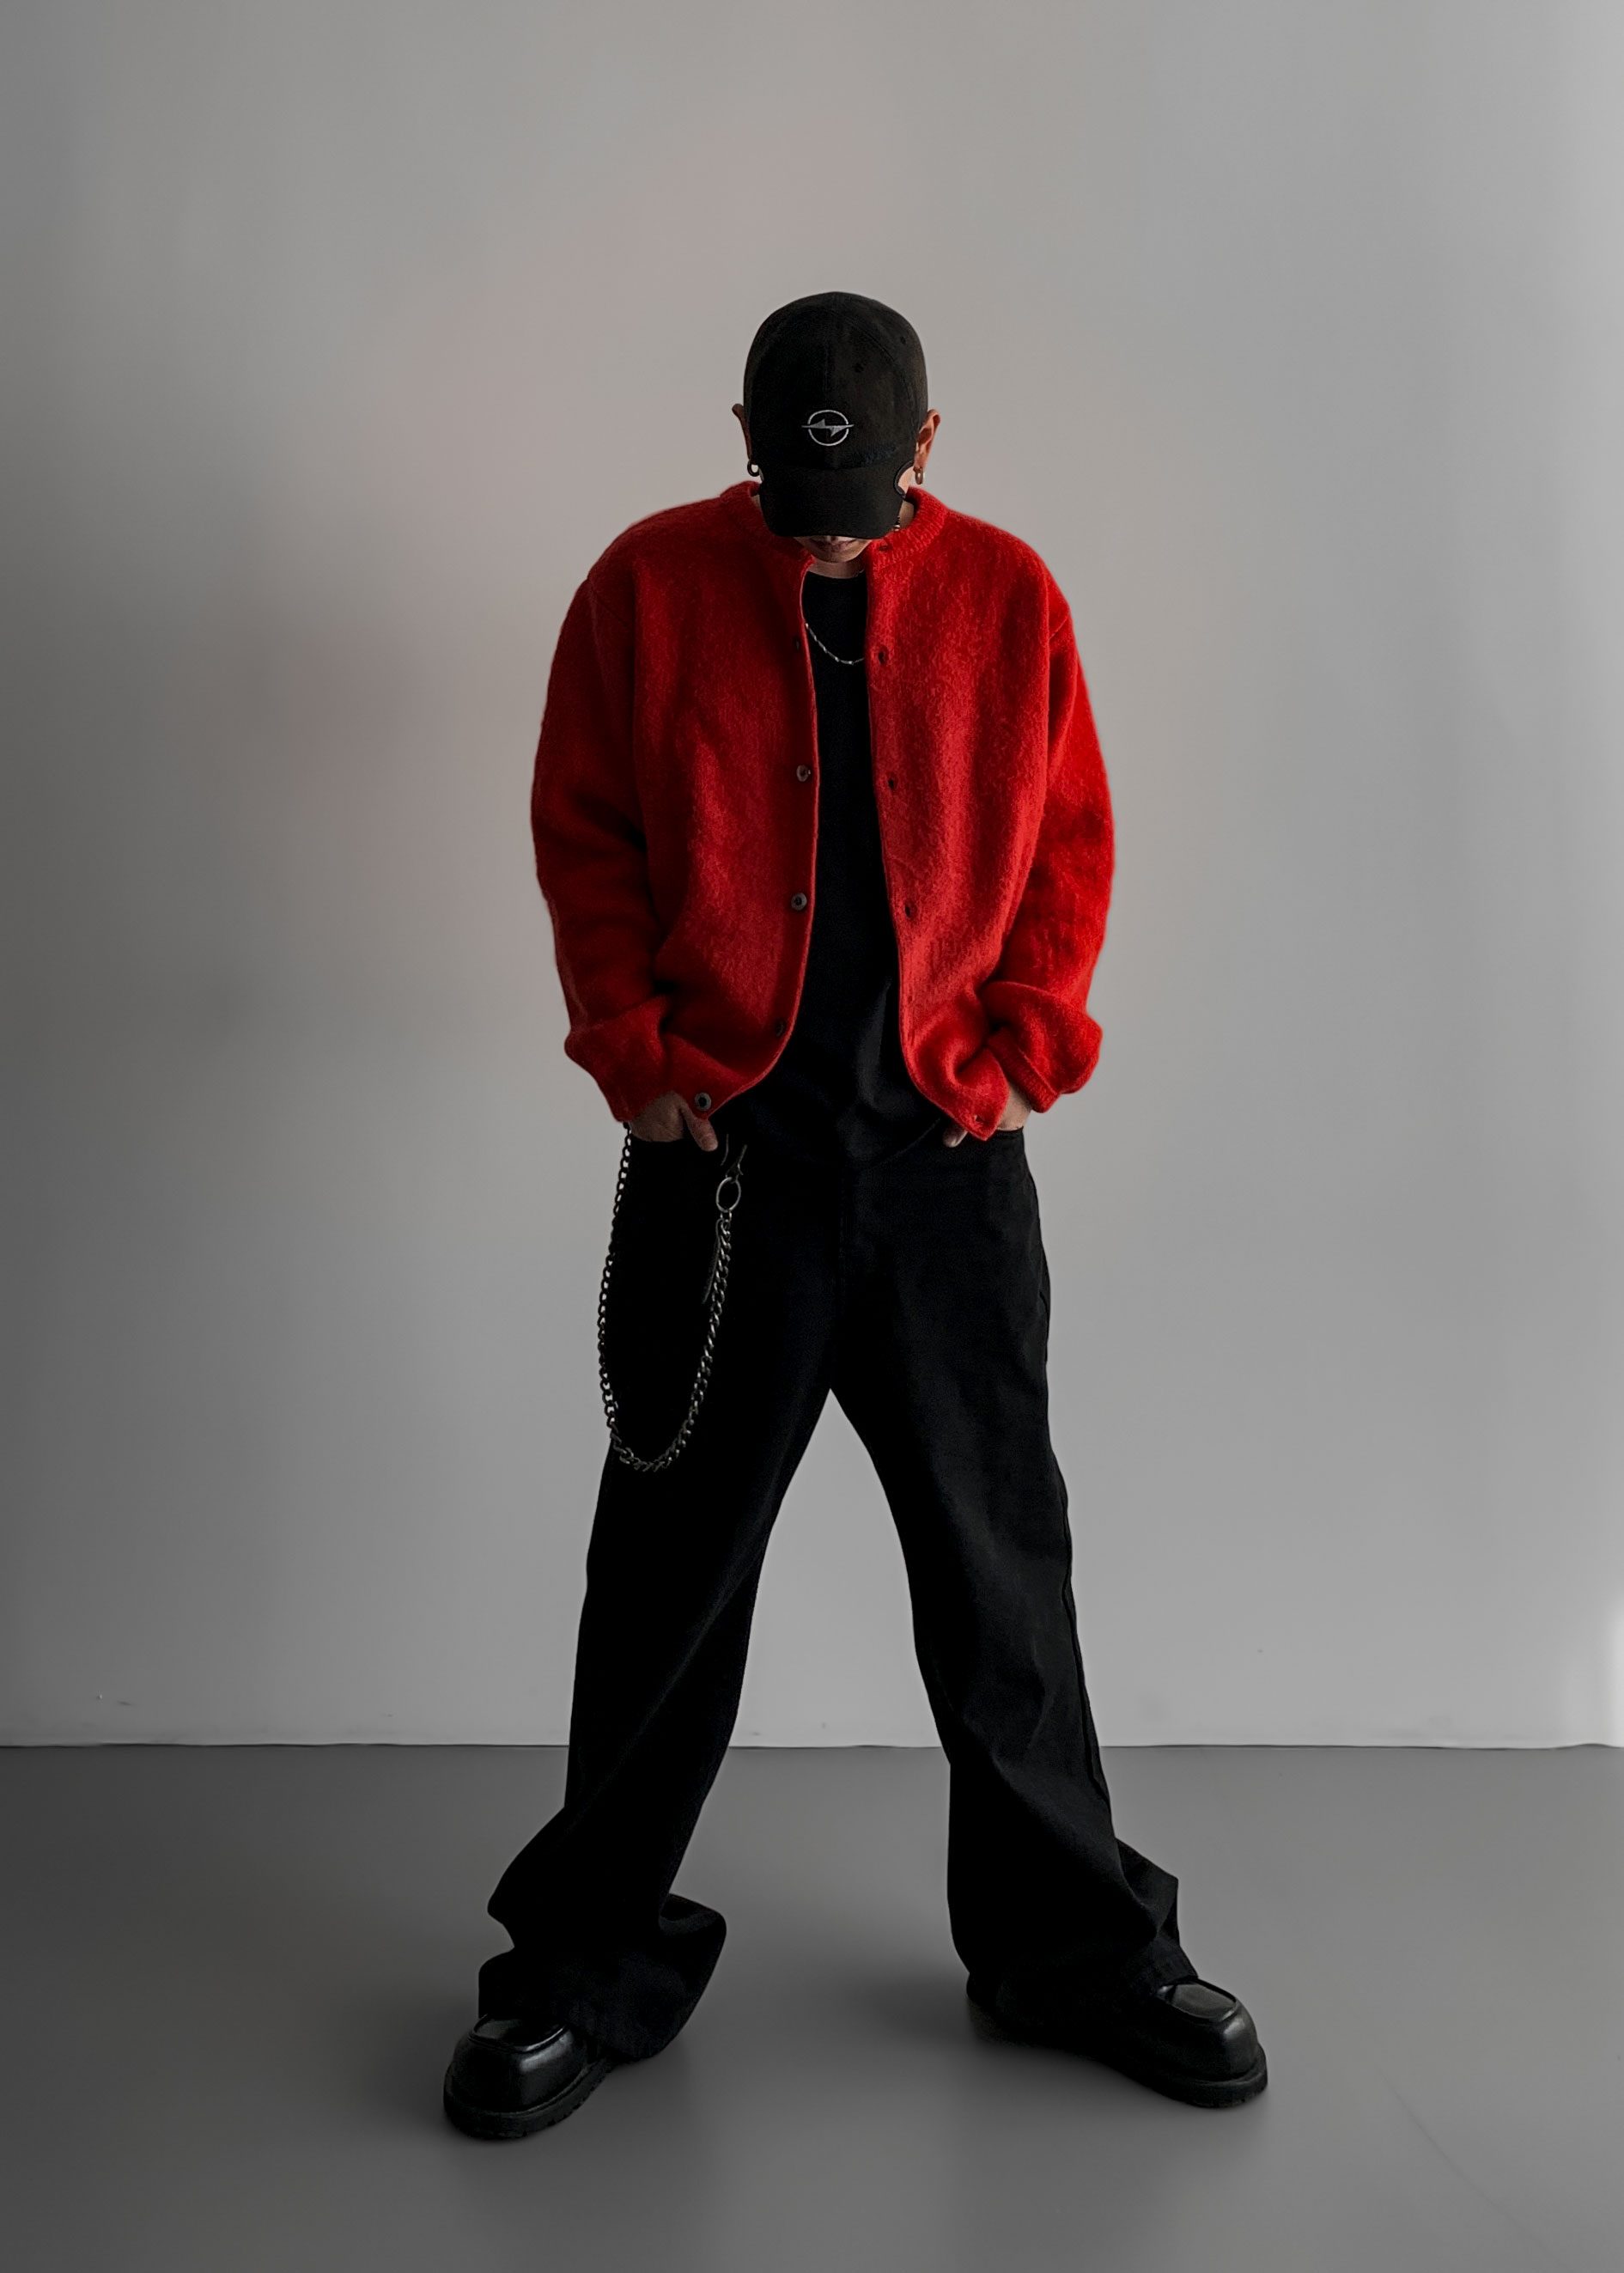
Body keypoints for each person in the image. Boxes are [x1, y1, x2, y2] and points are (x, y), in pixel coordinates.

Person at [442, 292, 1266, 2140]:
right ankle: (582, 1963)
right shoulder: (642, 590)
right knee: (665, 1586)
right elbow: (586, 828)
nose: (825, 539)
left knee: (1000, 1573)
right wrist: (631, 1049)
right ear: (744, 437)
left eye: (862, 504)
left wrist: (1029, 1042)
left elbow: (1069, 839)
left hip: (948, 1179)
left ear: (927, 449)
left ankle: (1072, 1946)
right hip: (724, 1174)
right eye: (793, 500)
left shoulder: (1012, 599)